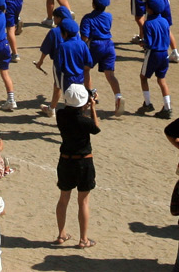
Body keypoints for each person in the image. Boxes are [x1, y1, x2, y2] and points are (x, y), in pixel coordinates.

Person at [54, 83, 100, 248]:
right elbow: (95, 128)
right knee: (83, 201)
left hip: (65, 160)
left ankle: (61, 234)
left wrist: (85, 105)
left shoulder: (60, 115)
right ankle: (83, 239)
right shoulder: (84, 121)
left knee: (63, 198)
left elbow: (72, 111)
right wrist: (92, 107)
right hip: (83, 161)